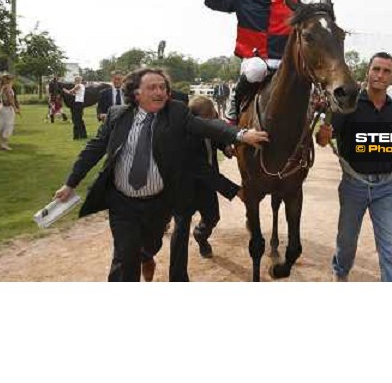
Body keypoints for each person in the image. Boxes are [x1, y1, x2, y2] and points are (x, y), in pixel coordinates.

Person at [52, 68, 268, 282]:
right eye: (152, 87)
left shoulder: (176, 113)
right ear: (136, 93)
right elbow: (93, 150)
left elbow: (207, 126)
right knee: (125, 260)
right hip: (122, 203)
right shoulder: (116, 115)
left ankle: (145, 255)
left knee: (150, 247)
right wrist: (70, 184)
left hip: (158, 204)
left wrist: (240, 134)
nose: (159, 92)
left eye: (162, 87)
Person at [204, 0, 330, 123]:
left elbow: (324, 18)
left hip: (285, 63)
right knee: (257, 68)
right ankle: (233, 106)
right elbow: (211, 1)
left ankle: (313, 125)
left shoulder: (294, 3)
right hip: (254, 60)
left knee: (306, 81)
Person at [316, 52, 392, 282]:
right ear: (368, 71)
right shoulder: (348, 105)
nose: (380, 75)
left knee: (390, 250)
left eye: (386, 71)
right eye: (376, 69)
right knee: (346, 243)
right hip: (354, 185)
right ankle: (341, 272)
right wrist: (324, 135)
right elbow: (324, 139)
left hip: (385, 188)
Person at [169, 95, 241, 281]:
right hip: (185, 186)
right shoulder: (186, 137)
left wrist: (225, 147)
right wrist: (235, 190)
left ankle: (201, 235)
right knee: (181, 227)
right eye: (212, 116)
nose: (215, 119)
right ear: (199, 119)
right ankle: (177, 278)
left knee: (212, 217)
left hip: (205, 186)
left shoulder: (204, 127)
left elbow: (214, 136)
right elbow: (206, 172)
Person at [0, 74, 20, 150]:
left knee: (2, 126)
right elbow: (10, 99)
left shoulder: (1, 87)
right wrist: (15, 108)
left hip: (2, 108)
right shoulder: (8, 88)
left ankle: (2, 143)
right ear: (10, 80)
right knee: (8, 126)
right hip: (7, 109)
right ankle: (4, 144)